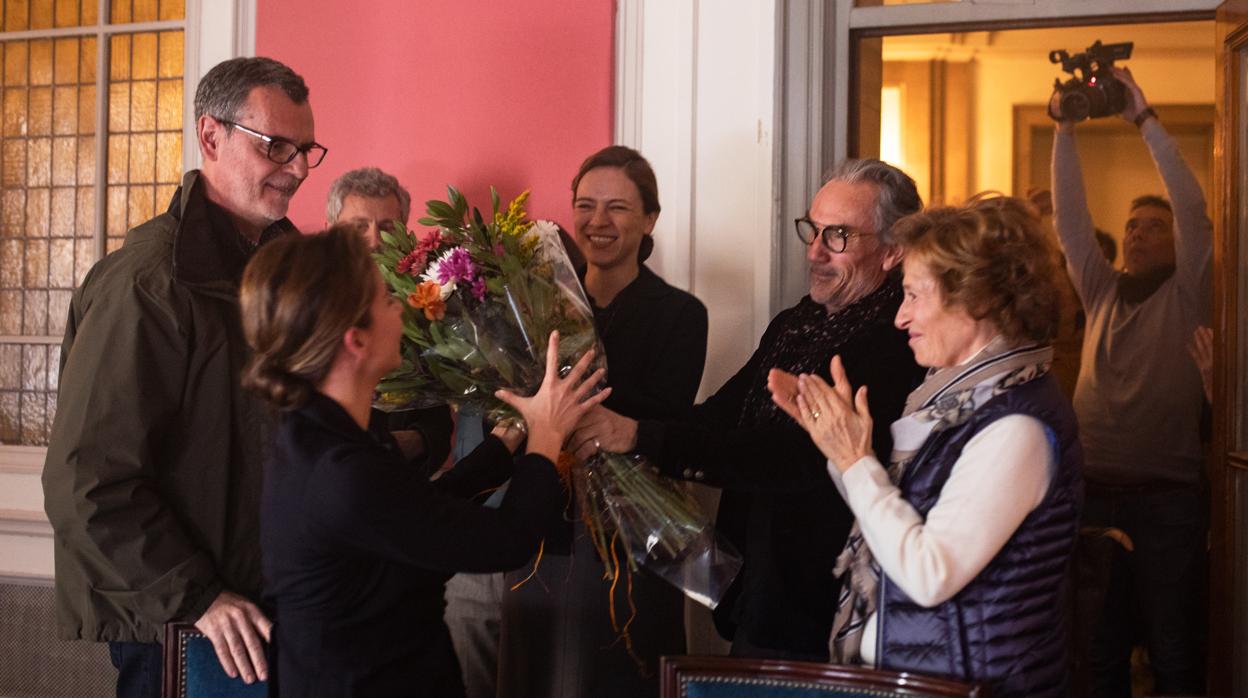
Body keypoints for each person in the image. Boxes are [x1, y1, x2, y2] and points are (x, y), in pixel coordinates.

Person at [41, 57, 322, 697]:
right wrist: (199, 597)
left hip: (267, 613)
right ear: (211, 136)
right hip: (187, 628)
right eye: (276, 145)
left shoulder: (281, 272)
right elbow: (87, 480)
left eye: (306, 149)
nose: (299, 167)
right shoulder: (147, 285)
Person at [571, 159, 925, 661]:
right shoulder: (795, 322)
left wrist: (638, 437)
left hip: (827, 601)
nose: (816, 251)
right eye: (813, 229)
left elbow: (788, 455)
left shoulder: (895, 341)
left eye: (838, 236)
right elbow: (720, 416)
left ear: (893, 251)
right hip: (763, 590)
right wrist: (610, 421)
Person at [242, 225, 609, 696]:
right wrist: (547, 435)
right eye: (384, 300)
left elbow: (420, 514)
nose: (399, 306)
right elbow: (506, 542)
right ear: (355, 340)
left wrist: (509, 438)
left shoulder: (319, 437)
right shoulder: (342, 472)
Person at [769, 195, 1081, 697]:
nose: (900, 317)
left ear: (975, 298)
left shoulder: (1016, 425)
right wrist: (841, 447)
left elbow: (929, 573)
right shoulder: (958, 403)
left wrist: (855, 461)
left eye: (914, 295)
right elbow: (896, 520)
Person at [497, 145, 708, 697]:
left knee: (622, 677)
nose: (598, 221)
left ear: (650, 219)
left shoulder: (682, 315)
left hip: (634, 535)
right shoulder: (536, 308)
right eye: (585, 205)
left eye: (617, 208)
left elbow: (665, 419)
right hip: (541, 526)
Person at [1051, 66, 1211, 697]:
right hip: (1092, 494)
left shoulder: (1189, 293)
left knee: (1173, 650)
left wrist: (1143, 118)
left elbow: (1193, 206)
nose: (1140, 233)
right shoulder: (1102, 290)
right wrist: (1064, 127)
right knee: (1098, 646)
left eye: (1154, 227)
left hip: (1168, 500)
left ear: (1179, 245)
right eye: (1134, 225)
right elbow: (1069, 221)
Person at [326, 166, 455, 470]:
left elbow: (437, 430)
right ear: (331, 231)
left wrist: (390, 445)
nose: (374, 241)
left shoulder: (424, 309)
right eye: (358, 227)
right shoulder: (303, 311)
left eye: (386, 227)